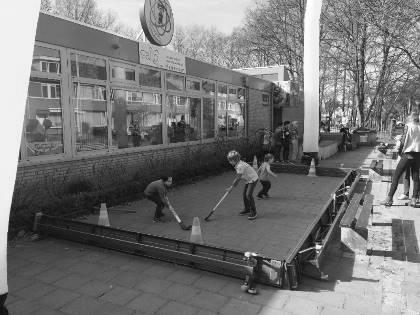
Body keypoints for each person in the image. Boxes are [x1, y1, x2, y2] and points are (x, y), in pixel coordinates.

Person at [381, 110, 420, 207]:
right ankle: (414, 199)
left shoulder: (408, 126)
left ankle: (389, 198)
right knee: (416, 178)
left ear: (411, 117)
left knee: (396, 176)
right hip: (418, 155)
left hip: (407, 154)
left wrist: (399, 149)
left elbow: (404, 141)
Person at [226, 150, 259, 220]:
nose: (229, 162)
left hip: (253, 179)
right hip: (248, 179)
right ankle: (247, 209)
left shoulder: (240, 166)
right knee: (244, 195)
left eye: (230, 160)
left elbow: (238, 178)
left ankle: (254, 211)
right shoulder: (238, 164)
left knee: (248, 195)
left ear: (235, 160)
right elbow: (239, 177)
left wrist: (231, 188)